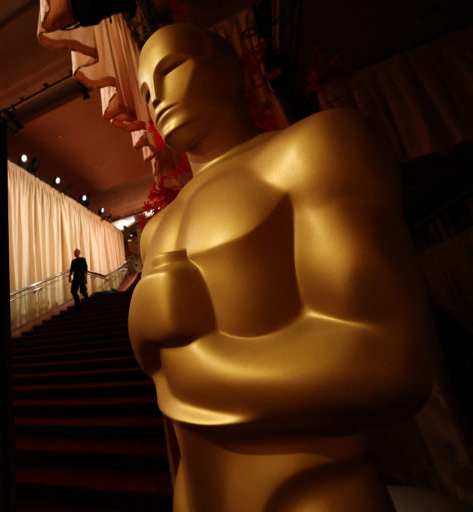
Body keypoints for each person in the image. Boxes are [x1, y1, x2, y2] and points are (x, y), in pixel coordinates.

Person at [128, 24, 432, 512]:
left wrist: (193, 364)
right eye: (145, 91)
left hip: (313, 489)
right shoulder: (155, 231)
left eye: (171, 69)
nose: (156, 98)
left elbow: (389, 357)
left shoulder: (313, 150)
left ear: (228, 70)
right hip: (197, 491)